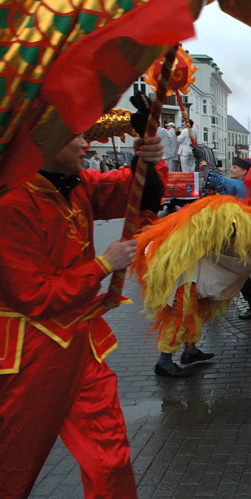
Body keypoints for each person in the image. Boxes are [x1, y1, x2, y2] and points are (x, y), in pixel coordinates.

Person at [0, 133, 165, 498]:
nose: (86, 145)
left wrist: (147, 160)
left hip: (82, 347)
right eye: (74, 136)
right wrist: (104, 264)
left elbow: (130, 193)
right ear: (44, 141)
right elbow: (35, 297)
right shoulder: (10, 203)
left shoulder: (77, 183)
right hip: (30, 356)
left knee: (110, 458)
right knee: (12, 469)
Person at [203, 156, 251, 321]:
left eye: (235, 167)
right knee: (236, 271)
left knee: (236, 270)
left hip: (240, 235)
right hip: (234, 234)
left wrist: (204, 167)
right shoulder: (243, 185)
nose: (231, 169)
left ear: (244, 171)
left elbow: (217, 181)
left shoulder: (243, 185)